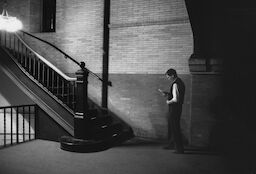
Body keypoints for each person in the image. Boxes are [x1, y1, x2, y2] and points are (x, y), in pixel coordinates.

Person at [158, 68, 185, 154]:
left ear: (172, 75)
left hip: (174, 108)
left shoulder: (175, 84)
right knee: (173, 127)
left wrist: (168, 101)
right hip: (177, 108)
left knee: (175, 128)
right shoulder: (180, 82)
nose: (168, 78)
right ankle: (173, 145)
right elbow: (176, 95)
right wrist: (167, 94)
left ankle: (179, 149)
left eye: (168, 77)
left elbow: (176, 99)